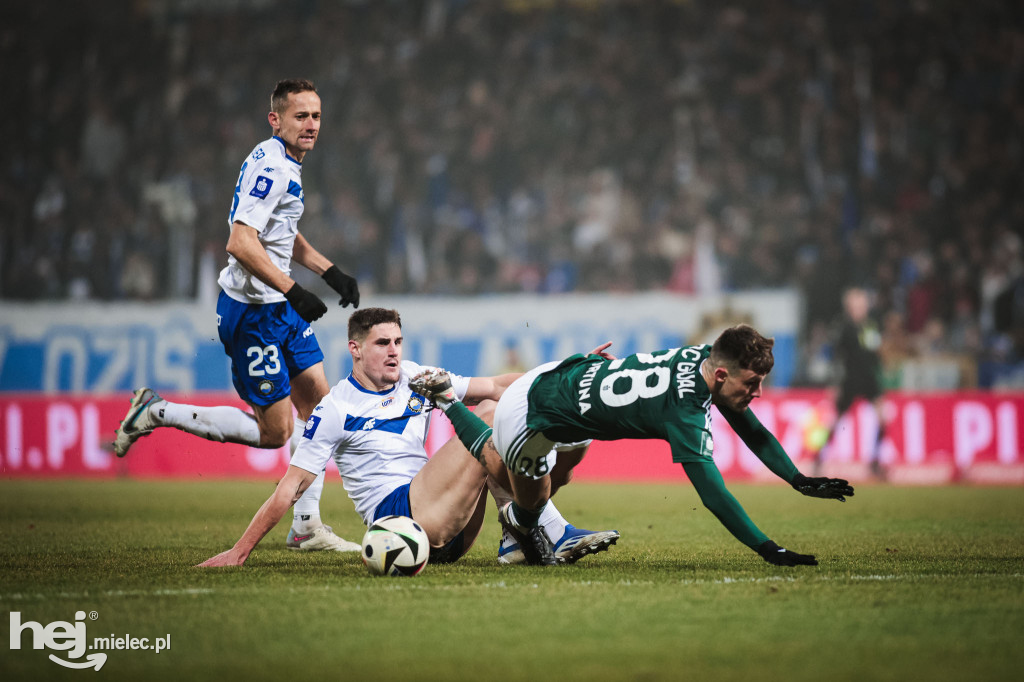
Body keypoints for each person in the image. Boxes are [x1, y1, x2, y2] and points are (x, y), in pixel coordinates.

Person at [113, 79, 362, 552]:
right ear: (276, 120)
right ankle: (155, 411)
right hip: (252, 315)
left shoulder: (286, 162)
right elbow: (240, 241)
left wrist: (329, 273)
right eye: (300, 116)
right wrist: (294, 288)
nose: (311, 125)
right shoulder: (272, 165)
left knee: (321, 411)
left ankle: (306, 527)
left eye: (316, 116)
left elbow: (280, 232)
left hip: (278, 307)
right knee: (277, 433)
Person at [197, 308, 619, 568]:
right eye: (382, 343)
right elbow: (288, 488)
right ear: (355, 349)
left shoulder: (413, 375)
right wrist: (240, 551)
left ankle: (517, 536)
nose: (394, 351)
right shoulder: (335, 407)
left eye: (398, 341)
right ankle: (546, 528)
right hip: (400, 522)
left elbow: (493, 384)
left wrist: (568, 368)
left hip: (449, 527)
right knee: (490, 421)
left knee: (494, 408)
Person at [412, 324, 854, 567]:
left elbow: (750, 427)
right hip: (528, 419)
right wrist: (768, 549)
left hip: (561, 377)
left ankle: (461, 400)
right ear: (721, 375)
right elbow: (714, 494)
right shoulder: (684, 409)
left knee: (574, 451)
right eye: (753, 382)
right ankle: (519, 522)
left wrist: (797, 479)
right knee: (529, 491)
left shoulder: (704, 356)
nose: (757, 393)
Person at [812, 287, 887, 479]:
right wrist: (835, 383)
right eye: (857, 304)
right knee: (836, 421)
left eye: (863, 304)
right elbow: (836, 357)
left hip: (868, 378)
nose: (861, 308)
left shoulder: (871, 326)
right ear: (850, 307)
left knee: (883, 418)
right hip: (849, 379)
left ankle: (875, 462)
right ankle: (818, 459)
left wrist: (881, 369)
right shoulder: (843, 327)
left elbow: (874, 351)